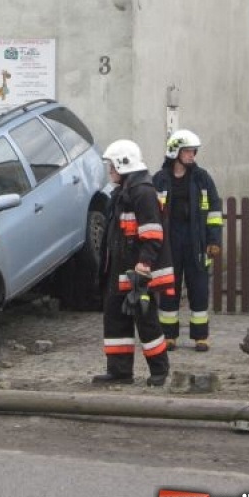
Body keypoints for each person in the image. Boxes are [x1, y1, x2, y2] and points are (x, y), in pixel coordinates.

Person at [93, 139, 173, 387]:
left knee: (146, 322)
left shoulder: (143, 192)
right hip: (121, 270)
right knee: (115, 319)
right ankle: (119, 371)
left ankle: (160, 370)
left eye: (111, 166)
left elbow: (152, 233)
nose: (109, 171)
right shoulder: (124, 192)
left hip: (138, 272)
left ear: (123, 164)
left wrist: (144, 265)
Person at [152, 130, 223, 352]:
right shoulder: (160, 179)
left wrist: (214, 240)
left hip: (197, 243)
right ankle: (168, 336)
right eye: (189, 151)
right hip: (170, 243)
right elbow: (152, 213)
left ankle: (201, 337)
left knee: (199, 289)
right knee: (169, 290)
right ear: (176, 152)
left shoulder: (202, 178)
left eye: (194, 151)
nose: (193, 155)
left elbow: (214, 211)